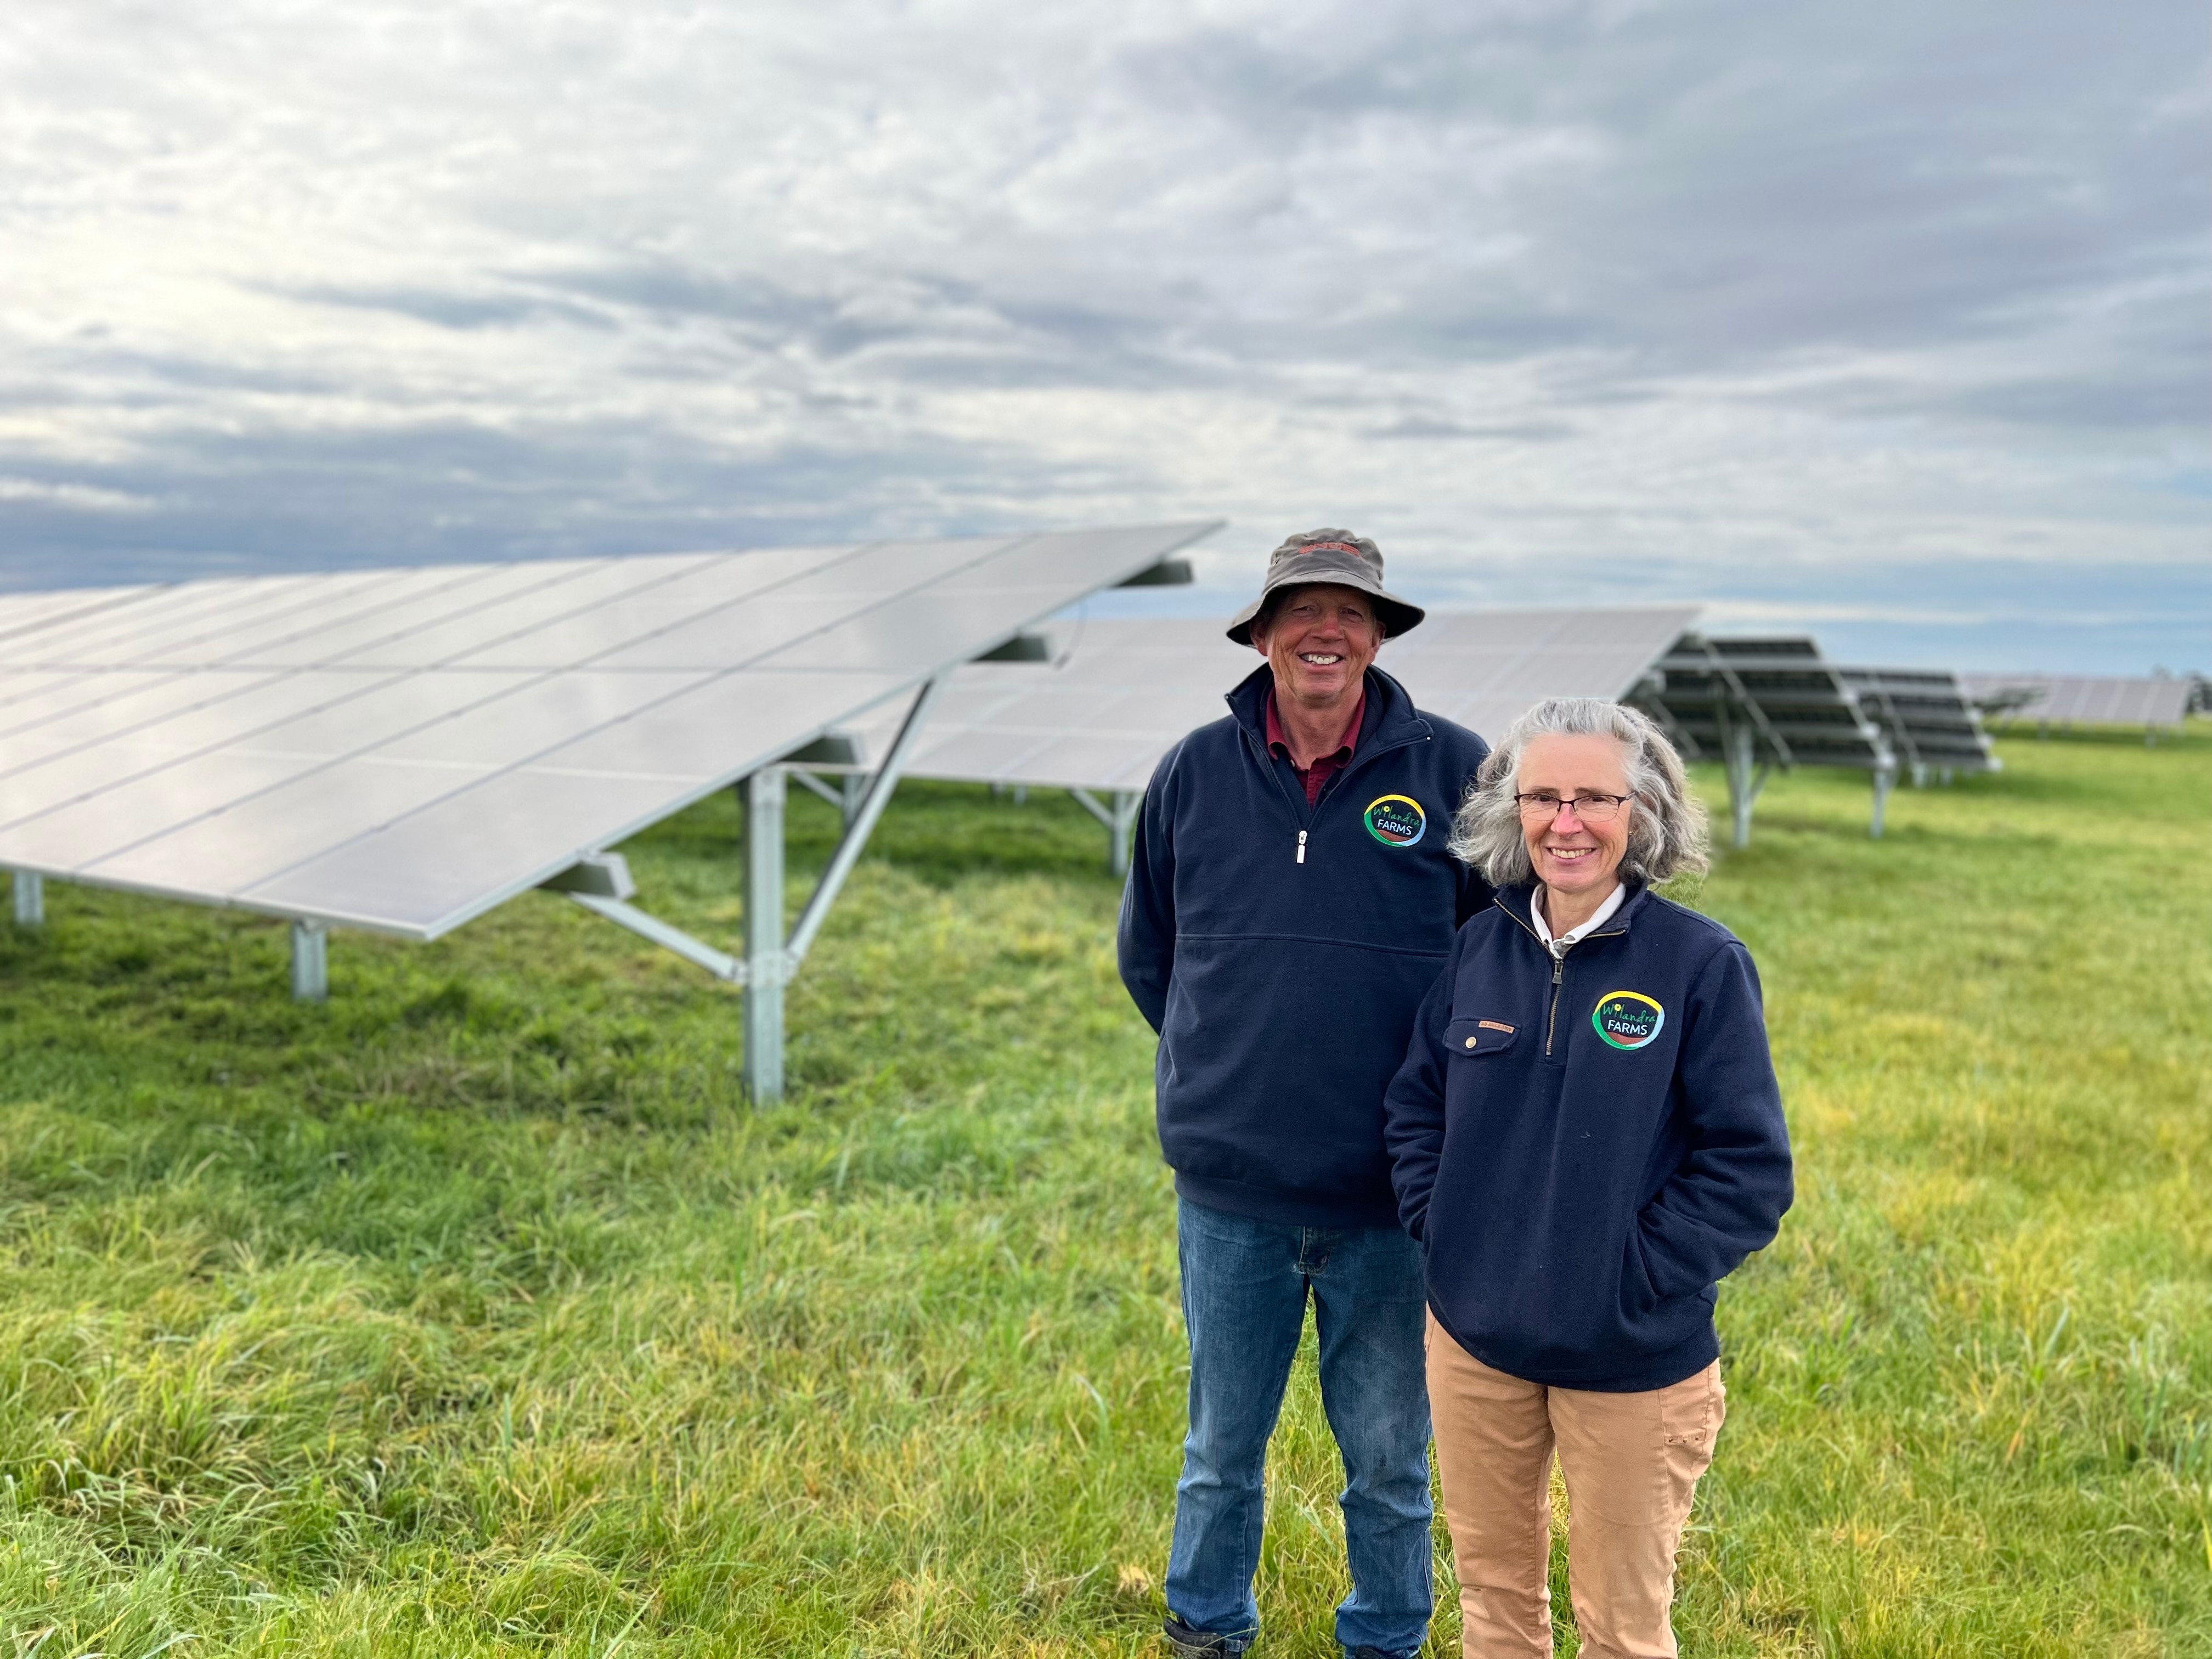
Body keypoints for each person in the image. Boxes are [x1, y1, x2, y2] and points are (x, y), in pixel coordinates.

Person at [1118, 529, 1492, 1659]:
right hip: (1231, 1192)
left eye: (1351, 611)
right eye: (1301, 609)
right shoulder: (1194, 769)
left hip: (1394, 1196)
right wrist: (1227, 1065)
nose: (1325, 630)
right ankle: (1206, 1629)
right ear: (1263, 633)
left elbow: (1498, 969)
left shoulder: (1455, 768)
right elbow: (1153, 953)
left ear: (1379, 636)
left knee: (1388, 1452)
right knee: (1220, 1447)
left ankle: (1385, 1637)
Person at [1383, 697, 1793, 1658]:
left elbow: (1747, 1168)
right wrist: (1447, 1230)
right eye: (1544, 798)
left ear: (1641, 813)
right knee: (1493, 1602)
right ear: (1512, 813)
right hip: (1475, 1346)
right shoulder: (1478, 949)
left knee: (1621, 1627)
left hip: (1631, 1360)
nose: (1566, 824)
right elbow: (1415, 1107)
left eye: (1594, 800)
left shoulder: (1700, 965)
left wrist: (1630, 1274)